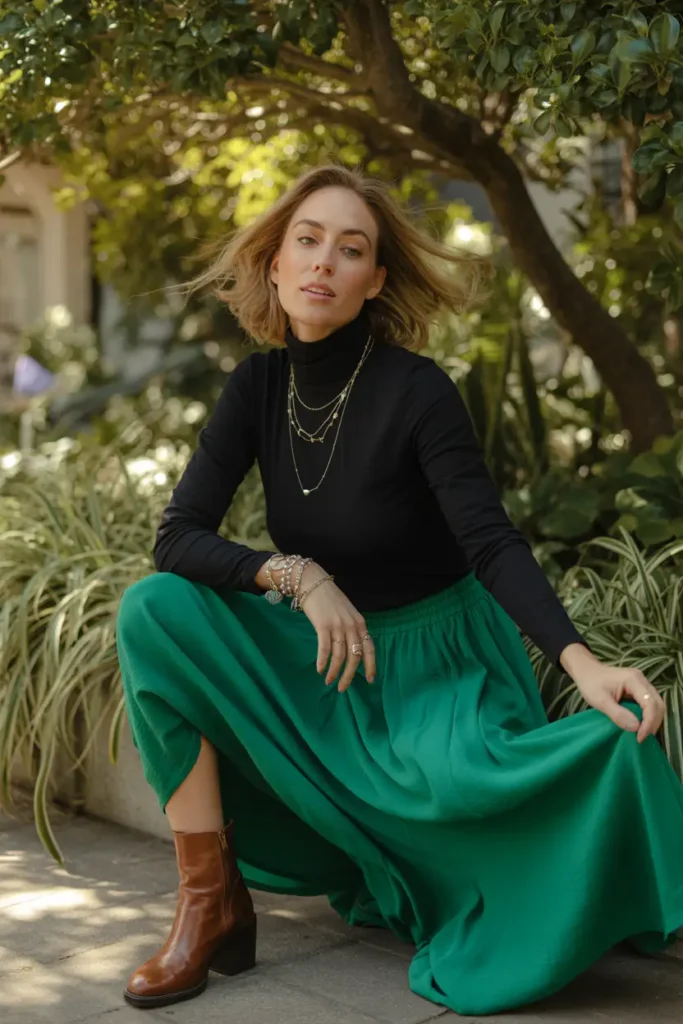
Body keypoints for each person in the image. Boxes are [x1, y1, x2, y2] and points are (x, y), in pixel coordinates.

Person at [115, 164, 683, 1017]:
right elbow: (177, 537)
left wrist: (582, 661)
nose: (323, 264)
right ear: (274, 262)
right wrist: (296, 576)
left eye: (350, 251)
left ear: (374, 280)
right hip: (328, 653)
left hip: (434, 666)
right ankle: (209, 900)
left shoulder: (417, 390)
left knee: (476, 784)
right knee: (152, 612)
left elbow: (489, 542)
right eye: (306, 241)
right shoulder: (255, 387)